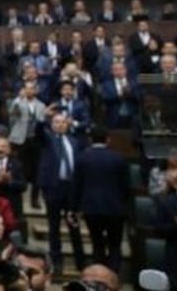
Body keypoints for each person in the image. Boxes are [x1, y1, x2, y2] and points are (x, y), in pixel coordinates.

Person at [73, 127, 130, 274]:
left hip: (91, 208)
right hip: (115, 207)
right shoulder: (118, 158)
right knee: (115, 245)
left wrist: (75, 208)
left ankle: (99, 277)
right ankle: (113, 276)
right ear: (108, 140)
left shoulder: (82, 158)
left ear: (90, 140)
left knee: (97, 243)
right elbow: (126, 186)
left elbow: (77, 185)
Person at [38, 112, 87, 271]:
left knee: (74, 225)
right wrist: (42, 118)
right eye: (57, 122)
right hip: (54, 187)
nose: (60, 125)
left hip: (71, 188)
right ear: (52, 125)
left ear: (67, 125)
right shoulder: (48, 139)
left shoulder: (74, 141)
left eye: (63, 122)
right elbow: (39, 131)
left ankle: (80, 261)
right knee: (54, 226)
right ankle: (57, 261)